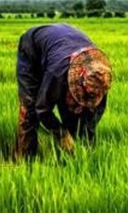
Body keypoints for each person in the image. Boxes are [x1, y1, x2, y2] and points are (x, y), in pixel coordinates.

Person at [14, 23, 112, 159]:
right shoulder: (57, 74)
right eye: (78, 96)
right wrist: (61, 134)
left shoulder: (100, 77)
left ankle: (72, 160)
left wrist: (86, 142)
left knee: (76, 116)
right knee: (30, 110)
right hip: (33, 50)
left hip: (63, 45)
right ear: (74, 82)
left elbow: (92, 117)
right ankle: (25, 161)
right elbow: (42, 109)